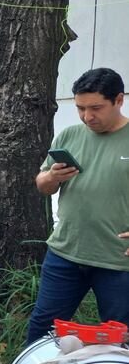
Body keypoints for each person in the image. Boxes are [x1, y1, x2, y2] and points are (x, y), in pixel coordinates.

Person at [27, 68, 129, 344]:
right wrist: (51, 177)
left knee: (119, 335)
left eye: (96, 108)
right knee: (42, 328)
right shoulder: (69, 135)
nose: (87, 116)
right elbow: (42, 184)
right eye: (80, 108)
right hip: (65, 252)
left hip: (118, 260)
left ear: (118, 100)